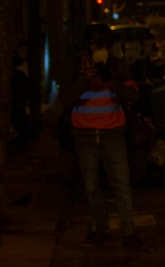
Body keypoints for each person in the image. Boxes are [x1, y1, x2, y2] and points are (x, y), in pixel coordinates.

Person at [60, 28, 144, 249]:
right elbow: (64, 99)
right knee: (91, 186)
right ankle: (100, 229)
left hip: (112, 133)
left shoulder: (116, 66)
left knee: (121, 184)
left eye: (106, 45)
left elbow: (134, 96)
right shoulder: (75, 66)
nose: (102, 49)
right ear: (88, 45)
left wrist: (112, 82)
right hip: (85, 135)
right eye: (98, 44)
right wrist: (83, 80)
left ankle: (129, 231)